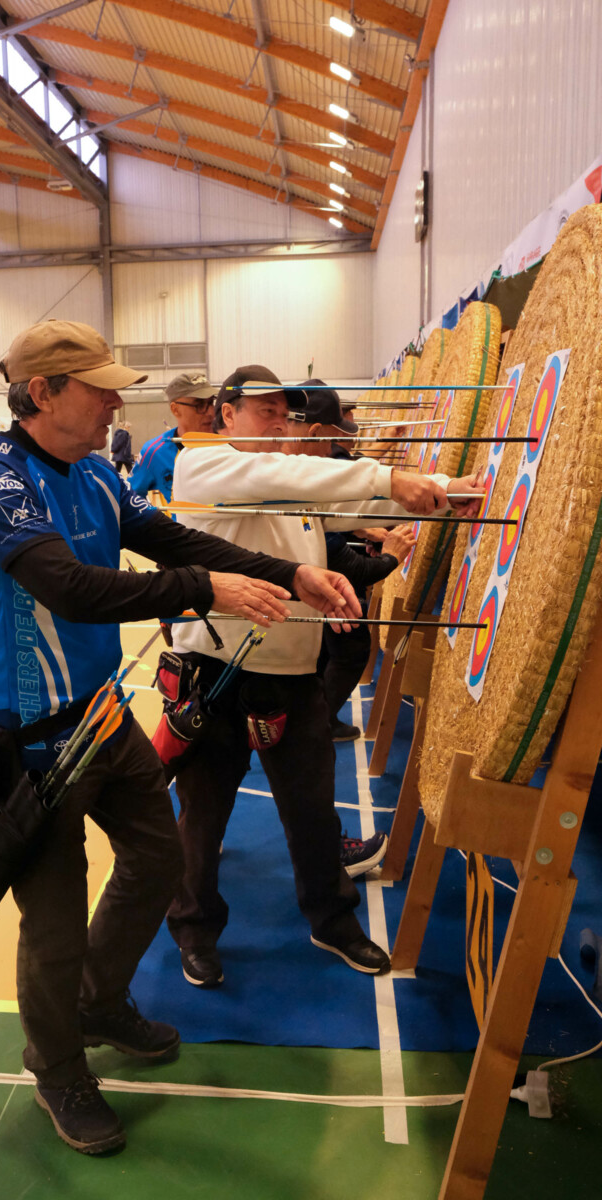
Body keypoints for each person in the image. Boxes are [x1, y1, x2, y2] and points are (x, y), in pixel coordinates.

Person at [0, 322, 363, 1156]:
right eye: (98, 388)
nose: (115, 402)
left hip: (101, 717)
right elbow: (73, 588)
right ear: (43, 393)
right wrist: (205, 588)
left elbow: (175, 540)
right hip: (34, 739)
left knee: (159, 861)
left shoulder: (95, 471)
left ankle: (98, 1004)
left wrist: (289, 573)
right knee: (55, 922)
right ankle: (56, 1065)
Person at [165, 364, 484, 990]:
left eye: (284, 413)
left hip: (290, 675)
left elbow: (348, 500)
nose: (278, 422)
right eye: (264, 410)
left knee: (312, 810)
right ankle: (194, 929)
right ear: (227, 413)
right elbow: (292, 477)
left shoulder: (289, 476)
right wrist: (392, 477)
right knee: (203, 814)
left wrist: (444, 490)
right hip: (216, 673)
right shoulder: (203, 465)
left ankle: (332, 920)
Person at [286, 381, 417, 740]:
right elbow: (351, 565)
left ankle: (314, 721)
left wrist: (362, 527)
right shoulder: (305, 478)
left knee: (328, 652)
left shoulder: (308, 474)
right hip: (300, 612)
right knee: (349, 648)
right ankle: (317, 725)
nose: (333, 450)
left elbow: (354, 495)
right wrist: (391, 556)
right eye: (331, 439)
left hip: (308, 607)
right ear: (315, 432)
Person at [129, 372, 217, 503]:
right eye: (199, 405)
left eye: (211, 403)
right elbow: (130, 496)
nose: (211, 412)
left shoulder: (230, 443)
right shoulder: (155, 452)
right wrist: (153, 515)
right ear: (175, 409)